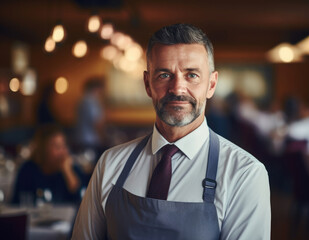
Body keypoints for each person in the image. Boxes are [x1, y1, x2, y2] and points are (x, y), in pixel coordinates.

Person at [72, 23, 270, 240]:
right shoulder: (110, 164)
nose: (177, 88)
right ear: (148, 84)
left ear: (211, 85)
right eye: (164, 75)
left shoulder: (244, 174)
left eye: (192, 75)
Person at [12, 124, 87, 205]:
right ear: (43, 149)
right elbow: (20, 202)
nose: (63, 152)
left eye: (63, 146)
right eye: (57, 147)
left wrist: (67, 172)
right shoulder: (28, 170)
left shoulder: (71, 168)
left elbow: (81, 201)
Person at [74, 77, 106, 157]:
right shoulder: (91, 101)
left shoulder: (82, 100)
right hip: (90, 140)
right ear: (96, 88)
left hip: (80, 138)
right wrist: (103, 138)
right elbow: (96, 122)